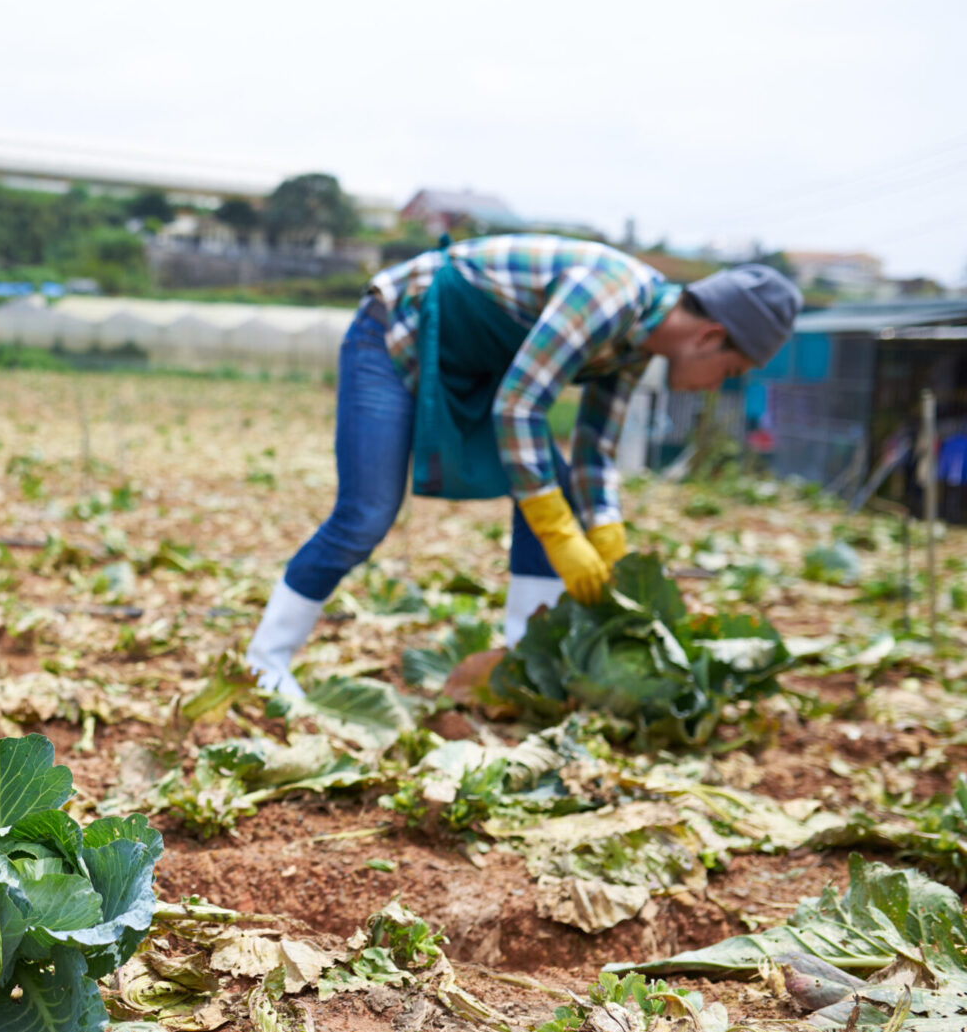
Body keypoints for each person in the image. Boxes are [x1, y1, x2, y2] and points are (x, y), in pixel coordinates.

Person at [246, 234, 802, 697]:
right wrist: (562, 534)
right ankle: (264, 663)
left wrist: (607, 535)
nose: (717, 387)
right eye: (729, 372)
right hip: (396, 334)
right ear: (709, 336)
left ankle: (520, 668)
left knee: (553, 482)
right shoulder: (609, 296)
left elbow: (595, 450)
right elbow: (519, 406)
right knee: (366, 512)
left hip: (479, 366)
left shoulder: (640, 345)